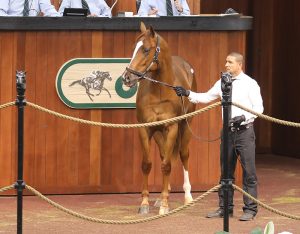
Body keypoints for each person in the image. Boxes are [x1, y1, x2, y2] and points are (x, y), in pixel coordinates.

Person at [174, 52, 264, 221]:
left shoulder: (250, 84)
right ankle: (225, 208)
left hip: (245, 132)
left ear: (239, 65)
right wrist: (187, 93)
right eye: (226, 62)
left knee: (249, 173)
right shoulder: (222, 82)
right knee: (225, 173)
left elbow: (259, 108)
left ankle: (250, 210)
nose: (226, 65)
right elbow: (207, 97)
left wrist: (244, 117)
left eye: (230, 62)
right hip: (227, 132)